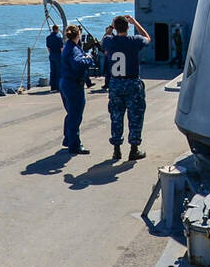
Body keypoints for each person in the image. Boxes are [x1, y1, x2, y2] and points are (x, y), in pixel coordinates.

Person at [101, 14, 151, 161]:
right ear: (128, 27)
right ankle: (134, 149)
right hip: (132, 83)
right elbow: (147, 38)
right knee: (135, 116)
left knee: (116, 116)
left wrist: (111, 28)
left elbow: (105, 38)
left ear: (115, 28)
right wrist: (135, 22)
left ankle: (116, 150)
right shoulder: (135, 41)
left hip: (116, 84)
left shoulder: (109, 41)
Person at [58, 24, 94, 154]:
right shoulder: (74, 49)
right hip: (73, 85)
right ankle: (75, 145)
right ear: (78, 35)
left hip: (65, 83)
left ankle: (68, 139)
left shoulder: (69, 47)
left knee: (71, 113)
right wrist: (89, 59)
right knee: (75, 115)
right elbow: (77, 64)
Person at [45, 25, 62, 90]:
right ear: (57, 29)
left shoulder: (48, 37)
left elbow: (48, 47)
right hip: (58, 55)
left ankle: (52, 86)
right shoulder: (59, 37)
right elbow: (61, 48)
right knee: (58, 71)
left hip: (51, 54)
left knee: (52, 71)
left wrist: (51, 53)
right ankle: (58, 86)